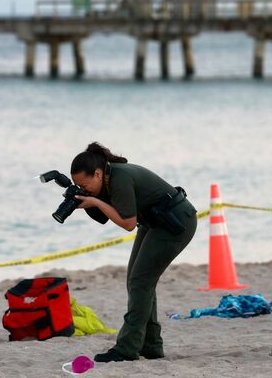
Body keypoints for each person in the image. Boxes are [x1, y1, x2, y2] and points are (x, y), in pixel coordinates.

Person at [67, 142, 197, 363]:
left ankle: (127, 348)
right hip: (154, 222)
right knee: (137, 281)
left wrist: (96, 201)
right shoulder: (108, 178)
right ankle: (151, 345)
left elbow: (127, 223)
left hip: (176, 223)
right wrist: (89, 201)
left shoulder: (120, 178)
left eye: (84, 184)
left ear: (97, 174)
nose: (83, 188)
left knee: (140, 281)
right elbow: (110, 215)